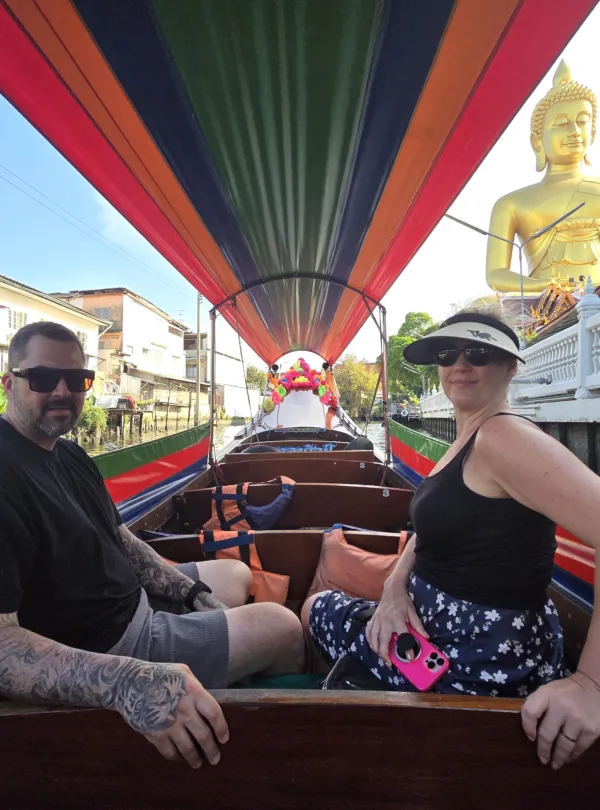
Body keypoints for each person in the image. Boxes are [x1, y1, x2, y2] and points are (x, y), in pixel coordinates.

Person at [302, 308, 600, 770]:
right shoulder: (469, 437)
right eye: (447, 353)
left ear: (510, 367)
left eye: (479, 353)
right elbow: (429, 531)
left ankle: (343, 734)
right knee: (330, 609)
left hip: (477, 655)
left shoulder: (504, 437)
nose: (460, 365)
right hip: (432, 626)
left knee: (315, 608)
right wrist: (393, 587)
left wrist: (591, 686)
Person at [0, 322, 305, 769]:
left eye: (78, 380)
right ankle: (286, 744)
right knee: (284, 627)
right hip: (109, 644)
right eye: (44, 379)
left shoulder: (66, 452)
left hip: (131, 601)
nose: (63, 391)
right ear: (9, 383)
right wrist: (127, 680)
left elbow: (116, 535)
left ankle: (219, 670)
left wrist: (187, 592)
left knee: (235, 573)